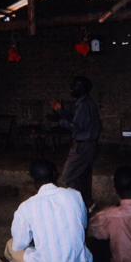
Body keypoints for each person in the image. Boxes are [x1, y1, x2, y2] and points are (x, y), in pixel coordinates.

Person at [0, 159, 93, 262]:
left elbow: (18, 244)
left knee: (10, 245)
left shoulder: (25, 207)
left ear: (33, 181)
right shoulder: (75, 195)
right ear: (55, 175)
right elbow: (83, 225)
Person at [50, 76, 101, 211]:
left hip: (83, 146)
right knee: (82, 178)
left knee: (67, 178)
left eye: (75, 86)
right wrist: (60, 111)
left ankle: (70, 209)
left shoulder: (84, 105)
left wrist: (60, 121)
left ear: (83, 89)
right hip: (88, 145)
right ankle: (88, 204)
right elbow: (76, 120)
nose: (71, 88)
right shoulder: (83, 103)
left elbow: (76, 126)